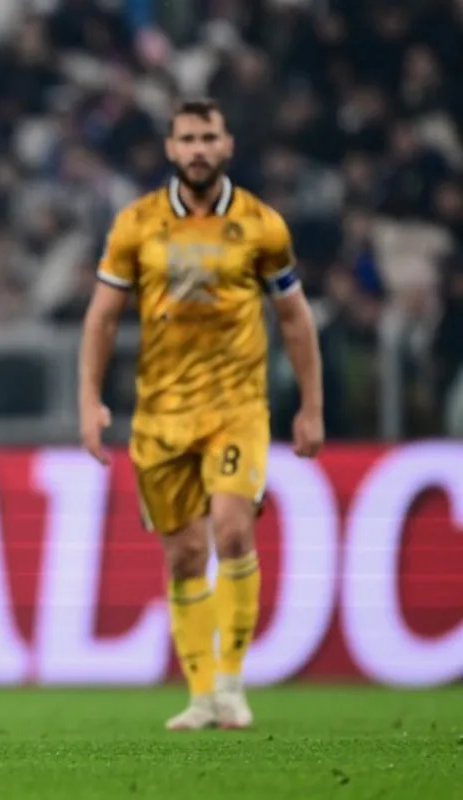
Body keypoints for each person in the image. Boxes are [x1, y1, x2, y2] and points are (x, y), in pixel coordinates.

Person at [78, 99, 324, 730]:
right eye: (186, 138)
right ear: (170, 148)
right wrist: (89, 400)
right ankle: (203, 693)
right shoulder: (136, 223)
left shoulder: (262, 225)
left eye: (208, 137)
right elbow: (102, 317)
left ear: (227, 144)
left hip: (237, 405)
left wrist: (311, 406)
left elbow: (295, 318)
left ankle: (233, 685)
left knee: (233, 532)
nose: (197, 149)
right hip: (161, 414)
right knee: (186, 554)